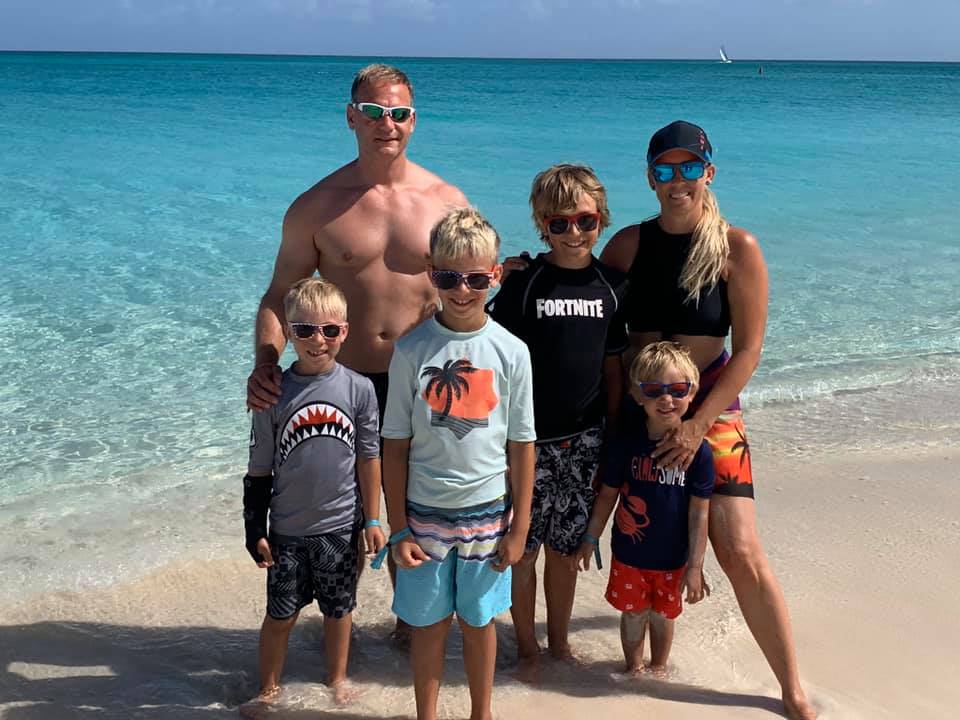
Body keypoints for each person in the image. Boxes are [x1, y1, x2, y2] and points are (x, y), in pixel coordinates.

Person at [600, 120, 817, 719]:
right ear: (650, 178)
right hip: (641, 410)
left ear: (708, 173)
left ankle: (791, 687)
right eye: (665, 171)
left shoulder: (735, 247)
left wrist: (697, 425)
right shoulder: (628, 245)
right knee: (605, 522)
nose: (677, 181)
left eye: (689, 168)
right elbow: (584, 295)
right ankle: (551, 650)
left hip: (710, 409)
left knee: (739, 548)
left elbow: (748, 349)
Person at [246, 63, 468, 643]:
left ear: (413, 121)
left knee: (418, 511)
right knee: (333, 515)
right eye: (372, 112)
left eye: (397, 113)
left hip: (424, 379)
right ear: (351, 117)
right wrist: (266, 364)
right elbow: (278, 295)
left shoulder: (446, 201)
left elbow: (474, 284)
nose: (385, 124)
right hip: (340, 383)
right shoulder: (317, 206)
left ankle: (408, 628)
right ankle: (333, 645)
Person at [380, 208, 536, 720]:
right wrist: (398, 529)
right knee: (428, 625)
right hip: (424, 514)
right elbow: (395, 444)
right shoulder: (411, 349)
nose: (462, 290)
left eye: (475, 278)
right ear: (432, 274)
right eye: (449, 278)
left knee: (478, 620)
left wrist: (520, 528)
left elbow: (521, 444)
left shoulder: (511, 351)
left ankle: (481, 713)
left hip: (488, 514)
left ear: (495, 275)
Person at [485, 164, 627, 679]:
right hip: (525, 443)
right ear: (542, 224)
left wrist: (614, 435)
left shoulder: (612, 287)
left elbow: (614, 368)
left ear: (601, 221)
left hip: (586, 440)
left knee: (567, 554)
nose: (573, 233)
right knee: (522, 552)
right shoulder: (525, 283)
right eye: (559, 223)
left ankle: (560, 642)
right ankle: (525, 646)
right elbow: (493, 360)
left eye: (585, 221)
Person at [240, 278, 386, 717]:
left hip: (340, 527)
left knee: (339, 610)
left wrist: (373, 520)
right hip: (287, 530)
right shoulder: (272, 393)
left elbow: (369, 458)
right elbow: (259, 468)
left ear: (345, 330)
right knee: (280, 614)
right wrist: (254, 528)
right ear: (288, 331)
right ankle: (268, 688)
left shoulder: (359, 389)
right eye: (303, 330)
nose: (316, 340)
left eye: (328, 330)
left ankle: (337, 678)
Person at [575, 342, 712, 673]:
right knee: (634, 615)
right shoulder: (627, 444)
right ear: (638, 396)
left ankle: (659, 669)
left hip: (673, 560)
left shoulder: (700, 454)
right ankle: (633, 670)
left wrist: (695, 566)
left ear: (692, 393)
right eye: (654, 390)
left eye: (677, 389)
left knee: (663, 616)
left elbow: (699, 513)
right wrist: (591, 538)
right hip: (629, 557)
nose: (666, 399)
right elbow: (607, 494)